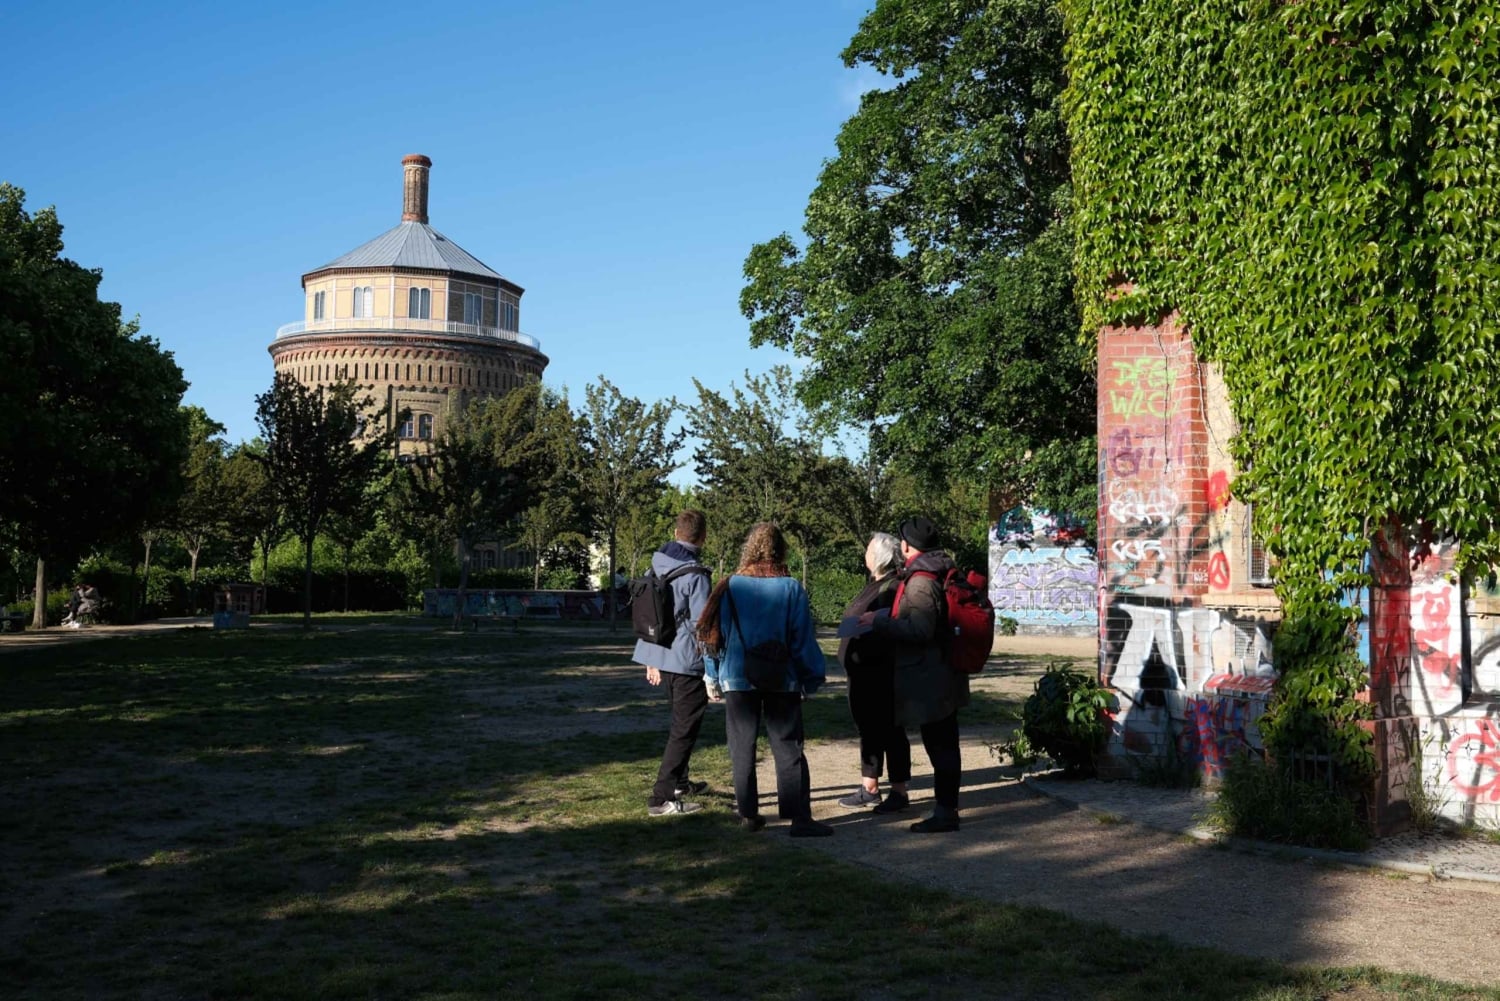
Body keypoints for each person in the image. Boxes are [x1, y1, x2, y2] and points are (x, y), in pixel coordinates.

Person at [697, 522, 831, 837]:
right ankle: (798, 818)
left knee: (741, 746)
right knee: (788, 746)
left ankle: (748, 814)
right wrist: (810, 678)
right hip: (781, 677)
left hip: (737, 677)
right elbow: (801, 640)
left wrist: (712, 675)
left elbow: (711, 635)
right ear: (780, 550)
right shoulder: (791, 587)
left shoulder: (728, 586)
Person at [861, 516, 969, 833]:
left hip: (930, 677)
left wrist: (880, 622)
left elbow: (921, 630)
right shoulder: (942, 569)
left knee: (941, 746)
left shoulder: (922, 580)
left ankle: (946, 812)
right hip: (941, 672)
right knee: (944, 744)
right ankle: (946, 809)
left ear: (907, 545)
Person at [633, 509, 714, 817]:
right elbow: (703, 625)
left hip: (661, 658)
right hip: (685, 661)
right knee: (684, 730)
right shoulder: (695, 575)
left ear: (676, 533)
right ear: (703, 537)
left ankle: (680, 781)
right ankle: (661, 797)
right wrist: (714, 667)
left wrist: (650, 660)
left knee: (682, 724)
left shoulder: (657, 565)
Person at [836, 532, 912, 812]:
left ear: (878, 556)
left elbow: (885, 627)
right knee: (871, 730)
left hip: (879, 673)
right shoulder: (876, 585)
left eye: (868, 550)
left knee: (890, 730)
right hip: (864, 672)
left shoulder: (890, 588)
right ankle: (870, 786)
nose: (865, 554)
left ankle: (899, 791)